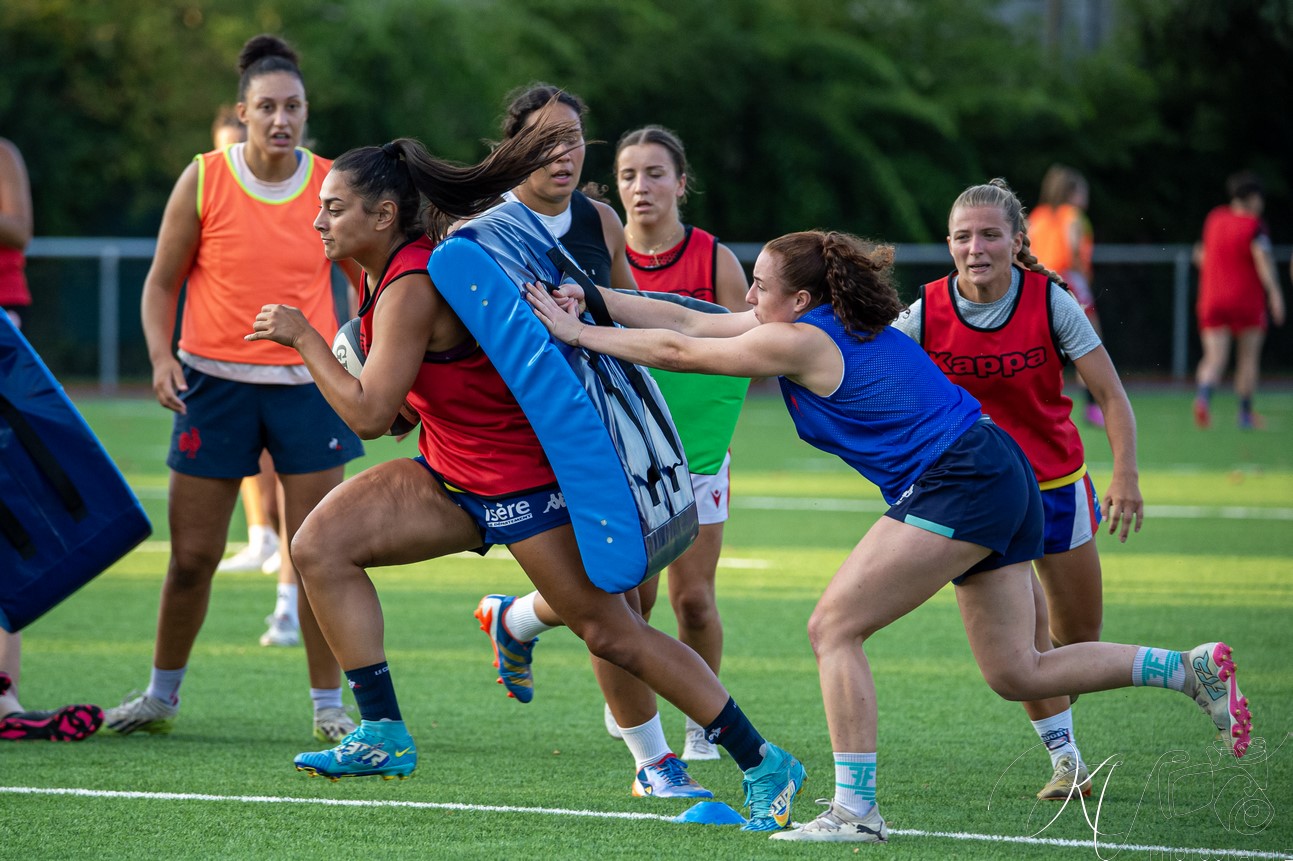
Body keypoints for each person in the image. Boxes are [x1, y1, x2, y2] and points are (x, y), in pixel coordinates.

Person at [525, 229, 1253, 843]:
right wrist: (591, 300)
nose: (747, 299)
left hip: (961, 477)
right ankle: (1184, 669)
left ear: (798, 300)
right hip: (994, 468)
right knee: (1017, 671)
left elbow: (683, 351)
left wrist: (576, 334)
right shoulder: (820, 325)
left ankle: (855, 809)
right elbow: (688, 320)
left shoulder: (801, 342)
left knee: (832, 626)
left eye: (758, 287)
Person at [247, 118, 807, 833]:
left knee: (613, 632)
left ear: (382, 214)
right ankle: (381, 733)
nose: (318, 220)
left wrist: (301, 338)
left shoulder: (411, 283)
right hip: (454, 472)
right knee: (319, 543)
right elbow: (400, 414)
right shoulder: (387, 276)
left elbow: (364, 415)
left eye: (333, 207)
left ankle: (763, 760)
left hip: (519, 484)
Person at [105, 35, 363, 745]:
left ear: (306, 113)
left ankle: (327, 704)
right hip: (211, 385)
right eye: (267, 107)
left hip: (306, 387)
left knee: (316, 552)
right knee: (192, 557)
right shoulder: (203, 178)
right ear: (243, 112)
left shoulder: (332, 181)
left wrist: (363, 359)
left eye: (294, 107)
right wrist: (161, 358)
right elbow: (161, 282)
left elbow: (364, 282)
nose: (281, 119)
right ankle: (160, 695)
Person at [470, 86, 715, 798]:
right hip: (531, 442)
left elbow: (623, 319)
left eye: (574, 139)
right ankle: (653, 762)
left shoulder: (599, 219)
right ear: (512, 145)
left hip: (611, 427)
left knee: (634, 585)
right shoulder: (482, 235)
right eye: (545, 141)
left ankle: (512, 617)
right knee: (616, 603)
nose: (563, 155)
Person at [893, 178, 1143, 801]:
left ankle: (1061, 708)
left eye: (989, 234)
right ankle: (1067, 762)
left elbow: (1110, 395)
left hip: (1057, 488)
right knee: (1022, 649)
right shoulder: (924, 311)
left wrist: (1125, 475)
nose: (975, 247)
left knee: (1076, 645)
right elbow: (875, 371)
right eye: (962, 236)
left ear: (1016, 241)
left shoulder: (1050, 301)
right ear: (947, 244)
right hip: (980, 498)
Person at [0, 135, 104, 743]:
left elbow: (18, 230)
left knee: (11, 511)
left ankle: (6, 699)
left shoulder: (5, 154)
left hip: (4, 334)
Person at [206, 105, 299, 648]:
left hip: (296, 374)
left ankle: (287, 608)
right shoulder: (209, 185)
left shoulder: (314, 189)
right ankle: (259, 537)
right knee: (195, 549)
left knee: (303, 508)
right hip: (224, 371)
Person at [1192, 171, 1286, 430]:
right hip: (1245, 300)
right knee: (1247, 359)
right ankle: (1244, 414)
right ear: (1253, 198)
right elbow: (1262, 259)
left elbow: (1199, 255)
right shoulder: (1254, 225)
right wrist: (1275, 293)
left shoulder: (1214, 218)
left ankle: (1203, 397)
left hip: (1212, 299)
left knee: (1214, 358)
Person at [1027, 165, 1104, 427]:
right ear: (1072, 192)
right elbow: (1072, 249)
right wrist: (1084, 275)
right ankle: (1093, 408)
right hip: (1069, 280)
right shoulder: (1074, 216)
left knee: (1045, 346)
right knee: (1091, 343)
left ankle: (1040, 403)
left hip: (1039, 283)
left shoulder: (1036, 217)